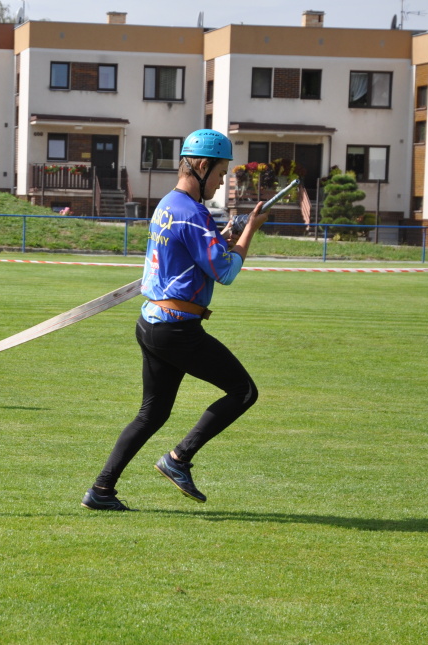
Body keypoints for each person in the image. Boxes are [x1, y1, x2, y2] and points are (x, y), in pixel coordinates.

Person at [81, 129, 268, 511]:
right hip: (176, 329)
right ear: (202, 166)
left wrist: (225, 235)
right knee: (243, 392)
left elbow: (194, 255)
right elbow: (225, 272)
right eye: (220, 173)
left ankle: (101, 490)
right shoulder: (194, 212)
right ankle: (178, 458)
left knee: (152, 414)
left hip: (151, 323)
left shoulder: (168, 204)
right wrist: (250, 230)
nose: (221, 182)